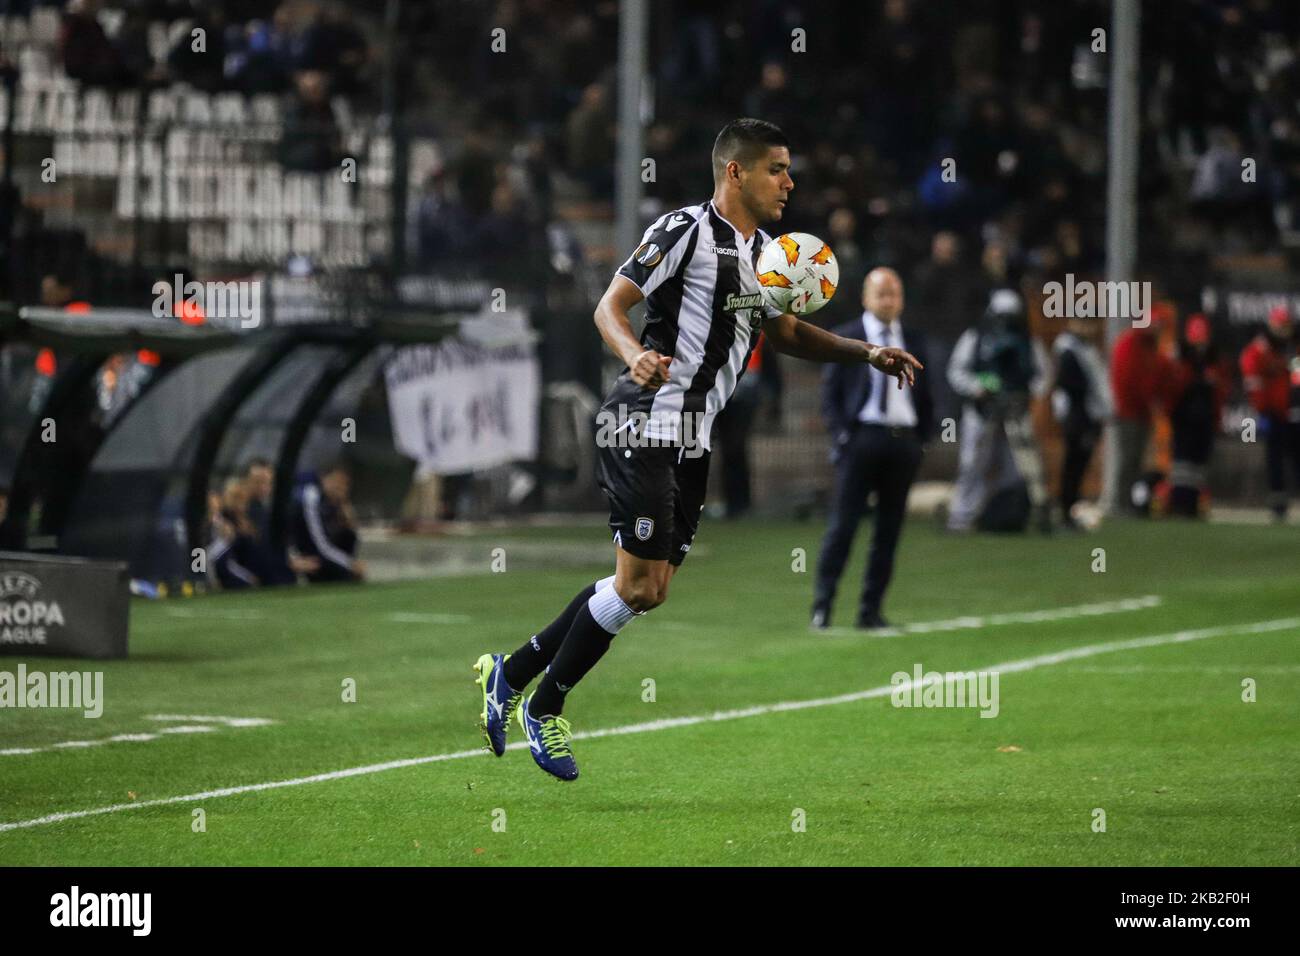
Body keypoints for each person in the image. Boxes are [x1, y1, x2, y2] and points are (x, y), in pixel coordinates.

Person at [471, 119, 923, 781]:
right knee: (636, 583)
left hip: (692, 438)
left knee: (648, 592)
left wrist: (866, 352)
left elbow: (788, 331)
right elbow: (610, 306)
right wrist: (635, 354)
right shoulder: (684, 231)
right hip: (643, 422)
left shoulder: (768, 255)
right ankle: (544, 706)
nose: (790, 182)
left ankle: (509, 674)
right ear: (736, 172)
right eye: (778, 169)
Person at [812, 268, 934, 629]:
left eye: (894, 293)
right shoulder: (848, 338)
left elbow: (927, 394)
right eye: (881, 294)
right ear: (866, 297)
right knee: (843, 526)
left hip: (903, 442)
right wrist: (843, 437)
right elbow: (830, 395)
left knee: (889, 531)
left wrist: (922, 439)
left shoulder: (914, 338)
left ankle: (871, 611)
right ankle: (823, 607)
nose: (888, 300)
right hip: (862, 439)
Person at [946, 289, 1052, 533]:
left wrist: (1027, 393)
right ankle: (963, 515)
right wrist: (977, 387)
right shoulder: (975, 338)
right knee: (973, 463)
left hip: (1016, 411)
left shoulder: (1028, 342)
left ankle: (1006, 515)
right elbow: (956, 371)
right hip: (982, 409)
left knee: (1018, 465)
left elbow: (1042, 375)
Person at [1108, 303, 1177, 515]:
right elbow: (1129, 380)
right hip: (1129, 413)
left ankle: (1127, 502)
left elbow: (1162, 376)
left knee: (1135, 460)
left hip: (1141, 413)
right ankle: (1119, 503)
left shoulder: (1150, 348)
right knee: (1128, 459)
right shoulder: (1130, 345)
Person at [1050, 315, 1111, 529]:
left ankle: (1070, 510)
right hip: (1078, 416)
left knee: (1079, 466)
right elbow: (1072, 386)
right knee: (1073, 466)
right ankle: (1065, 511)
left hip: (1087, 415)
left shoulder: (1086, 349)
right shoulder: (1068, 349)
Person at [1240, 305, 1299, 520]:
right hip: (1273, 412)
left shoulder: (1292, 347)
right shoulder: (1261, 349)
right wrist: (1262, 408)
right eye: (1280, 325)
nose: (1283, 330)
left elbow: (1296, 375)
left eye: (1286, 326)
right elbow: (1252, 376)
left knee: (1296, 458)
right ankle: (1278, 504)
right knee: (1275, 459)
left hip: (1293, 411)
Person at [1165, 314, 1227, 517]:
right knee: (1183, 464)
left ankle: (1193, 505)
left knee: (1198, 464)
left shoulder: (1212, 359)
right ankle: (1180, 504)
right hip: (1184, 420)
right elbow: (1173, 388)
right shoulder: (1181, 358)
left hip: (1204, 419)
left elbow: (1219, 391)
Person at [292, 464, 364, 582]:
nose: (341, 487)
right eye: (337, 481)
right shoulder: (311, 498)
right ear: (324, 479)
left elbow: (351, 532)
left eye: (345, 484)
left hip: (323, 552)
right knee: (346, 573)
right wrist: (349, 564)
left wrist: (344, 506)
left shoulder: (333, 502)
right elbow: (320, 544)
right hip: (305, 553)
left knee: (349, 534)